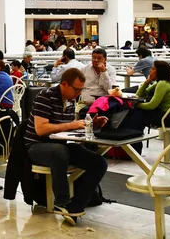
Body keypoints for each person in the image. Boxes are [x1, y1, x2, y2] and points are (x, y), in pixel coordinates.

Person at [25, 68, 108, 225]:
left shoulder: (70, 100)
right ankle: (61, 202)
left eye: (81, 90)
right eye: (76, 89)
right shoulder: (45, 96)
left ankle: (75, 206)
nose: (78, 93)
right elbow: (41, 129)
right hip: (37, 146)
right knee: (60, 152)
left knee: (99, 162)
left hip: (60, 144)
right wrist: (73, 124)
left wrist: (89, 124)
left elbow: (67, 127)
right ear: (64, 84)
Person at [129, 61, 170, 127]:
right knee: (139, 111)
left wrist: (136, 105)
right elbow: (139, 95)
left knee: (137, 111)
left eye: (153, 69)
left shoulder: (162, 83)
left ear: (160, 71)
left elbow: (151, 105)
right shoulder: (161, 82)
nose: (150, 70)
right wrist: (147, 82)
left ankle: (132, 132)